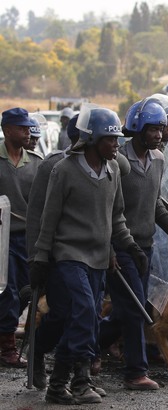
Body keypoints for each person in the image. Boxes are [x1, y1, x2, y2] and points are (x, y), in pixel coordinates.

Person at [29, 105, 148, 405]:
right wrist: (40, 258)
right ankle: (80, 381)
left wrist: (130, 247)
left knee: (88, 320)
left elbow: (116, 218)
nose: (117, 145)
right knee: (82, 311)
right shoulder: (63, 170)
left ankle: (59, 383)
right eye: (111, 140)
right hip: (69, 255)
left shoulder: (112, 171)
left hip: (98, 258)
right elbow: (48, 218)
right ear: (93, 140)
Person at [99, 99, 168, 390]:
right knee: (135, 309)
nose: (159, 135)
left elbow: (155, 202)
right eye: (152, 129)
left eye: (161, 129)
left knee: (126, 310)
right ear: (136, 128)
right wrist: (111, 248)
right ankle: (136, 372)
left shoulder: (159, 160)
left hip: (145, 248)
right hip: (121, 248)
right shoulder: (117, 161)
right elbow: (108, 207)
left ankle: (83, 350)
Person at [0, 108, 41, 368]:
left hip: (27, 238)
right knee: (9, 292)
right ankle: (7, 348)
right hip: (2, 237)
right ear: (7, 130)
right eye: (22, 127)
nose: (28, 131)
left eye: (29, 127)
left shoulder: (36, 163)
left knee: (26, 291)